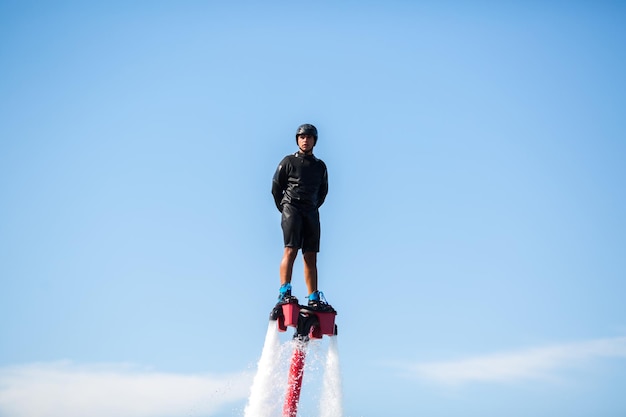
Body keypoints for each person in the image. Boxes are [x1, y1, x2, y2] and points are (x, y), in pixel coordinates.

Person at [271, 123, 333, 311]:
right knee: (291, 250)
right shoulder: (288, 161)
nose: (305, 140)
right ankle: (284, 291)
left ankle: (313, 296)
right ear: (297, 140)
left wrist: (312, 207)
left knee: (311, 255)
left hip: (311, 211)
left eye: (309, 137)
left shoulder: (320, 166)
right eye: (302, 137)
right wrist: (285, 208)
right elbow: (276, 187)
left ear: (315, 141)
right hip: (292, 208)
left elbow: (323, 192)